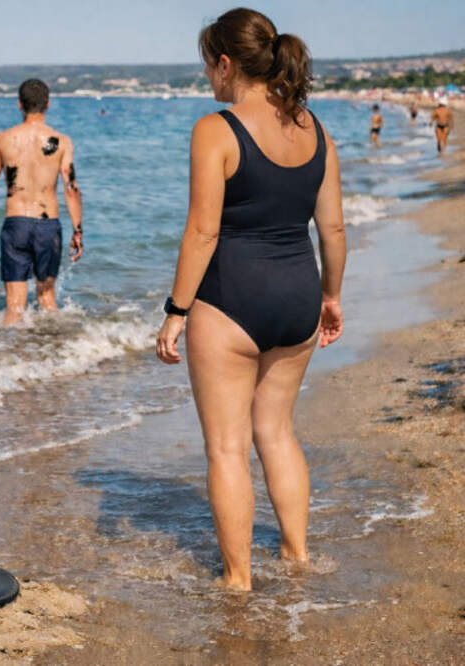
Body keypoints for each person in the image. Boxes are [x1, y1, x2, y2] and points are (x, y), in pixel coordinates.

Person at [155, 8, 346, 591]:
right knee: (278, 432)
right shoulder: (315, 130)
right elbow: (333, 230)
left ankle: (238, 580)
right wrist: (331, 297)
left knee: (227, 448)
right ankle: (297, 555)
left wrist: (176, 311)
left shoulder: (215, 129)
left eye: (207, 66)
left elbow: (202, 232)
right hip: (298, 297)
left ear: (225, 63)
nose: (207, 78)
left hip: (231, 301)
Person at [0, 78, 83, 326]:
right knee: (47, 299)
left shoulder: (3, 139)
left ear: (19, 104)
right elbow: (71, 188)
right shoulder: (62, 141)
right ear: (48, 103)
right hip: (48, 226)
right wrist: (78, 230)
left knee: (14, 307)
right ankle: (60, 347)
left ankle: (5, 350)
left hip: (16, 223)